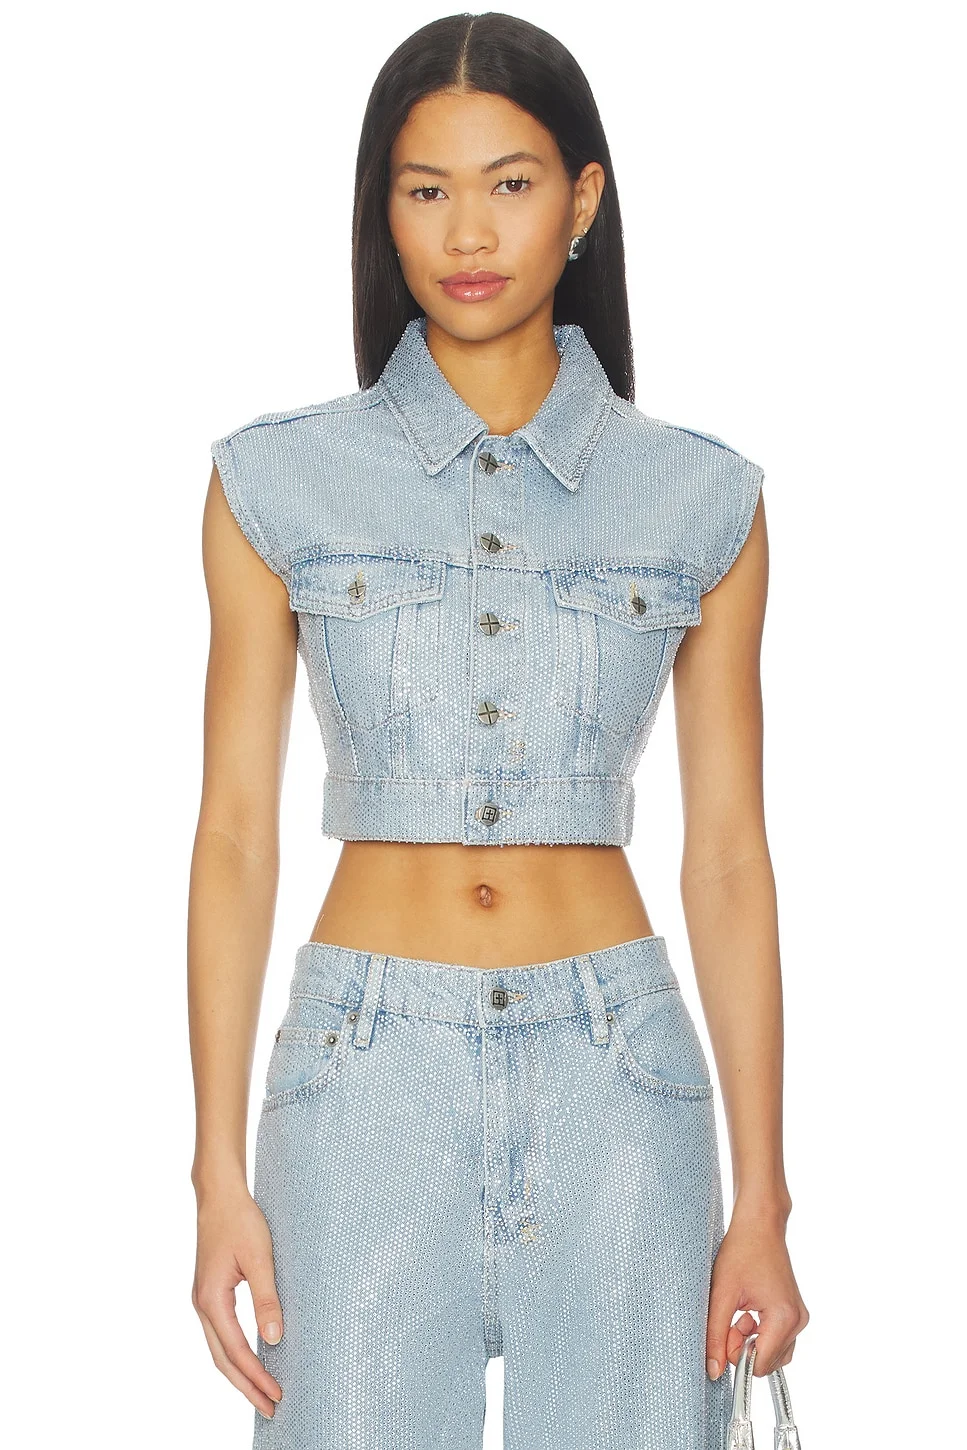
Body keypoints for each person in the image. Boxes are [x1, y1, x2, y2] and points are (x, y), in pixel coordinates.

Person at [189, 12, 809, 1447]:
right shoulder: (275, 483)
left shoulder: (700, 498)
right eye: (426, 189)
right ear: (383, 209)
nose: (467, 231)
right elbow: (232, 836)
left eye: (510, 183)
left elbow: (728, 858)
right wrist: (216, 1169)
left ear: (582, 200)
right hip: (362, 1079)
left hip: (620, 1079)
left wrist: (762, 1199)